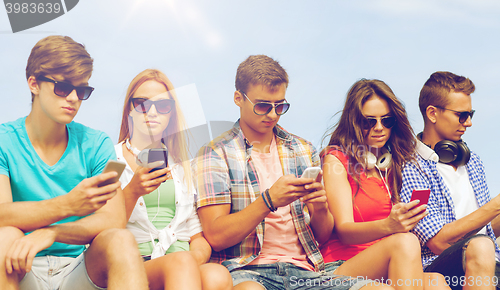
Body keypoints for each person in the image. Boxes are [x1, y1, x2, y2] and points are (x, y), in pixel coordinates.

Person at [194, 55, 385, 290]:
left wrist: (320, 208)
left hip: (306, 272)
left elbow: (322, 236)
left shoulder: (303, 149)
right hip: (248, 271)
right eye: (263, 106)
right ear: (238, 99)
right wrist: (268, 201)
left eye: (280, 106)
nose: (273, 115)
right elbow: (215, 236)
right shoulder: (215, 153)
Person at [0, 36, 148, 290]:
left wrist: (51, 233)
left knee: (121, 239)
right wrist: (68, 205)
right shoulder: (4, 140)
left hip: (78, 269)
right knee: (5, 237)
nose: (73, 98)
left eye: (82, 91)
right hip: (20, 267)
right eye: (62, 87)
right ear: (33, 84)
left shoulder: (99, 143)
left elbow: (113, 219)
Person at [320, 79, 448, 290]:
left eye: (386, 121)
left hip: (390, 263)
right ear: (354, 122)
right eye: (369, 121)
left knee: (436, 282)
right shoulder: (336, 160)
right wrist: (389, 225)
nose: (379, 128)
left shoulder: (392, 164)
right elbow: (344, 230)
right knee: (405, 242)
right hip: (342, 266)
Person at [115, 69, 232, 290]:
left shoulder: (183, 168)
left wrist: (193, 258)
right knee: (180, 263)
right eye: (141, 103)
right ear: (129, 109)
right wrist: (132, 191)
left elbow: (196, 235)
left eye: (162, 106)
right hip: (137, 262)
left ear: (171, 114)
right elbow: (103, 227)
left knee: (218, 275)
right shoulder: (111, 158)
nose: (151, 112)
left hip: (181, 260)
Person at [400, 71, 500, 290]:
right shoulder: (410, 167)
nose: (469, 123)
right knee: (481, 246)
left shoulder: (473, 162)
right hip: (440, 269)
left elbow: (483, 228)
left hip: (487, 262)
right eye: (462, 115)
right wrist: (496, 205)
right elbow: (438, 242)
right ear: (433, 113)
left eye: (471, 114)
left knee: (483, 246)